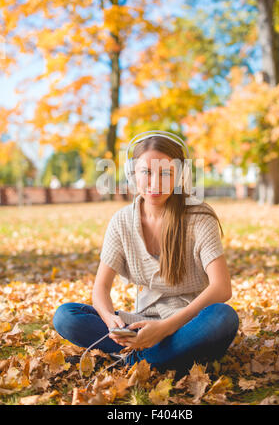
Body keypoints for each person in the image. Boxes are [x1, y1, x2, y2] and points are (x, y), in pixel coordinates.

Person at [53, 134, 239, 379]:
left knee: (223, 318)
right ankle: (158, 357)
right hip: (140, 324)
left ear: (179, 175)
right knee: (66, 316)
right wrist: (111, 324)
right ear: (133, 174)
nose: (155, 182)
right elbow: (101, 287)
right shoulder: (122, 221)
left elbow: (222, 288)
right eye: (146, 172)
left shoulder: (199, 217)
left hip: (187, 323)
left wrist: (165, 328)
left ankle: (136, 359)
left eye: (165, 173)